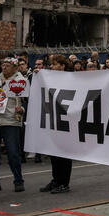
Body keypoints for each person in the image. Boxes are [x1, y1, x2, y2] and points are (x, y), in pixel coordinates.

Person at [0, 57, 30, 193]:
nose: (4, 67)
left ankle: (18, 180)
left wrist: (22, 109)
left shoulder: (21, 81)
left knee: (13, 153)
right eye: (3, 65)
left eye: (7, 65)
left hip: (11, 121)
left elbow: (28, 101)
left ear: (15, 67)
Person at [40, 55, 74, 193]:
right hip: (54, 118)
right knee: (54, 151)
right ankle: (56, 179)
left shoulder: (72, 79)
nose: (51, 67)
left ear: (62, 66)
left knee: (64, 153)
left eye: (54, 64)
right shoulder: (50, 78)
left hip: (66, 120)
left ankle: (64, 183)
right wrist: (38, 75)